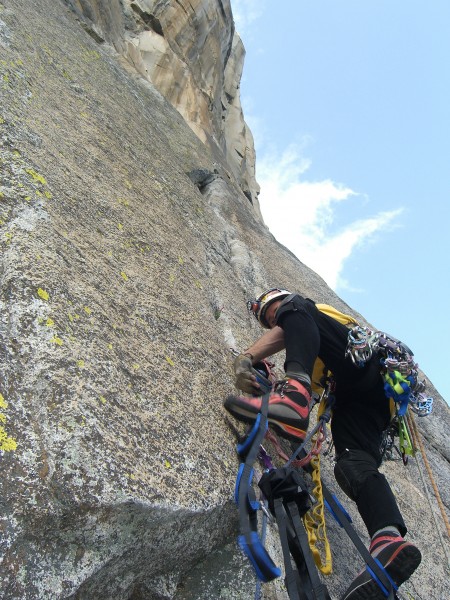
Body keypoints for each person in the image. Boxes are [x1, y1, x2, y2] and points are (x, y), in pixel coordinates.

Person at [224, 288, 421, 600]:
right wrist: (265, 384)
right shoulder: (309, 342)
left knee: (298, 308)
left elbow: (295, 321)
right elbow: (302, 375)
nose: (273, 321)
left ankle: (294, 392)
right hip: (366, 403)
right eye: (267, 318)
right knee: (352, 465)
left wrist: (247, 358)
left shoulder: (312, 313)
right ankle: (388, 541)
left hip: (364, 366)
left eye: (271, 313)